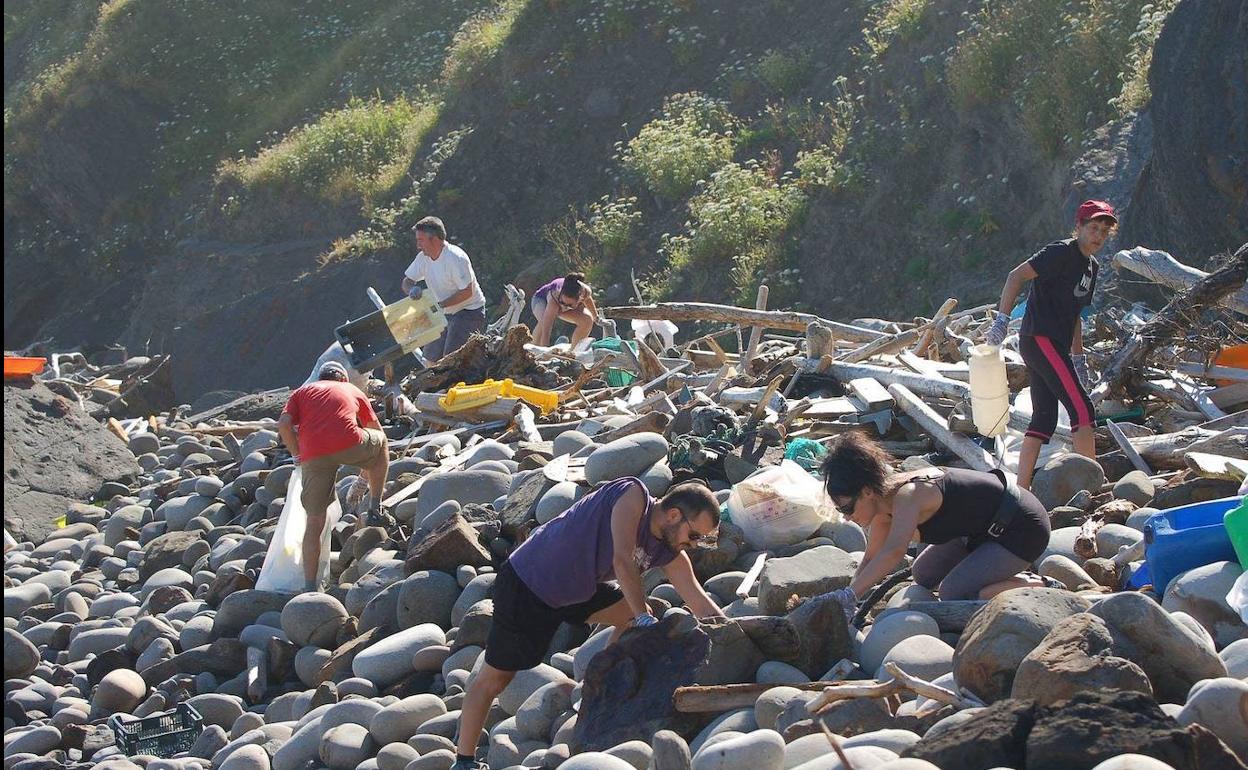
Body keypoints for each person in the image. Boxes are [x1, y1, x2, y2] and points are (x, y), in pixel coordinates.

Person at [451, 479, 724, 770]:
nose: (694, 545)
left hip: (578, 590)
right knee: (496, 678)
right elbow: (622, 560)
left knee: (632, 615)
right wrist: (644, 619)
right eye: (694, 535)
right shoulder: (633, 495)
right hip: (528, 583)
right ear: (673, 515)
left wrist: (734, 632)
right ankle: (464, 761)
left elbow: (699, 599)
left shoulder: (670, 551)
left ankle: (599, 688)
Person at [813, 432, 1052, 620]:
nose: (846, 518)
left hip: (1021, 527)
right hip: (977, 531)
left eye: (846, 508)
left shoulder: (908, 495)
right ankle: (991, 571)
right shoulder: (881, 507)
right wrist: (849, 599)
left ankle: (1040, 585)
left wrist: (848, 596)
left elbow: (894, 552)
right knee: (923, 574)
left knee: (953, 594)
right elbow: (871, 559)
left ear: (866, 491)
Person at [985, 200, 1117, 489]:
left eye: (1104, 232)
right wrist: (1002, 320)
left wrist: (1079, 358)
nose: (1098, 236)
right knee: (1082, 410)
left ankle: (1021, 490)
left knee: (1043, 419)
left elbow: (1076, 316)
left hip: (1054, 344)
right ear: (1079, 227)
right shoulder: (1060, 252)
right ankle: (1092, 485)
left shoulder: (1091, 267)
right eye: (1093, 228)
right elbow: (1016, 276)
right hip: (1039, 338)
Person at [277, 361, 390, 592]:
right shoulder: (352, 390)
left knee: (314, 522)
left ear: (320, 378)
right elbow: (376, 429)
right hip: (349, 443)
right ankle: (375, 507)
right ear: (343, 379)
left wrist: (297, 455)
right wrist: (363, 477)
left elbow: (284, 424)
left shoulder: (301, 392)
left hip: (313, 454)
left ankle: (310, 587)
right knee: (382, 443)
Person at [401, 216, 487, 361]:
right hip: (444, 313)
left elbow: (467, 292)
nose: (418, 246)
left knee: (450, 359)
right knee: (429, 359)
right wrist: (411, 290)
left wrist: (439, 305)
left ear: (434, 239)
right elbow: (407, 281)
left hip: (469, 312)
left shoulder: (455, 258)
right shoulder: (423, 258)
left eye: (420, 240)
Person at [530, 272, 599, 347]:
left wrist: (596, 317)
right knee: (543, 323)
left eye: (569, 305)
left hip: (560, 305)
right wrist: (544, 350)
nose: (565, 306)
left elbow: (588, 301)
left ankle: (574, 350)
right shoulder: (554, 299)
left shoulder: (585, 292)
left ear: (579, 299)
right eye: (563, 302)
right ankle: (534, 348)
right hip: (541, 300)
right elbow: (546, 330)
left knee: (587, 320)